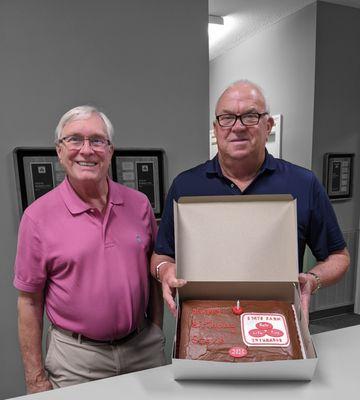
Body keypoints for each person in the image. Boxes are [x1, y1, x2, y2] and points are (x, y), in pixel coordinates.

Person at [151, 79, 350, 324]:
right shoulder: (185, 186)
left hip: (276, 322)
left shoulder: (303, 183)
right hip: (205, 325)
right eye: (227, 118)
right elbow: (161, 257)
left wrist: (313, 280)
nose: (238, 127)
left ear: (268, 125)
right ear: (216, 128)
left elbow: (338, 256)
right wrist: (165, 271)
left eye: (250, 116)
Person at [14, 105, 165, 394]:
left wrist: (155, 329)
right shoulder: (37, 218)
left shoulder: (139, 205)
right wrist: (35, 379)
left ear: (110, 151)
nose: (86, 150)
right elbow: (29, 302)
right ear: (59, 151)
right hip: (77, 360)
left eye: (97, 140)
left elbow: (152, 276)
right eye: (74, 140)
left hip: (142, 349)